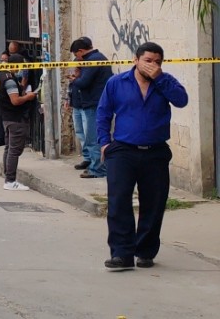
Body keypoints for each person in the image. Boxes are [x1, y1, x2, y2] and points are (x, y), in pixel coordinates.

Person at [98, 41, 188, 271]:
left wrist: (160, 78)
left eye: (157, 62)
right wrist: (105, 143)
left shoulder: (165, 82)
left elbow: (181, 100)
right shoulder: (116, 83)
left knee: (154, 203)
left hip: (155, 152)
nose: (152, 65)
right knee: (119, 201)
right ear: (135, 60)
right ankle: (121, 254)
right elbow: (103, 113)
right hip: (123, 151)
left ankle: (145, 251)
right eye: (148, 60)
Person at [0, 54, 39, 191]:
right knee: (14, 150)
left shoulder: (0, 75)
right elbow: (15, 100)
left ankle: (7, 176)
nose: (21, 69)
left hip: (7, 117)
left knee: (9, 148)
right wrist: (28, 97)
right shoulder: (10, 80)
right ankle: (10, 181)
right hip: (16, 118)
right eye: (21, 65)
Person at [70, 37, 112, 179]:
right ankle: (94, 165)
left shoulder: (93, 60)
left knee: (93, 138)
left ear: (81, 51)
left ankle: (98, 169)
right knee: (90, 136)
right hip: (94, 102)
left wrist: (75, 79)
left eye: (76, 54)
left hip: (94, 103)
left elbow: (84, 82)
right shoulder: (96, 58)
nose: (76, 57)